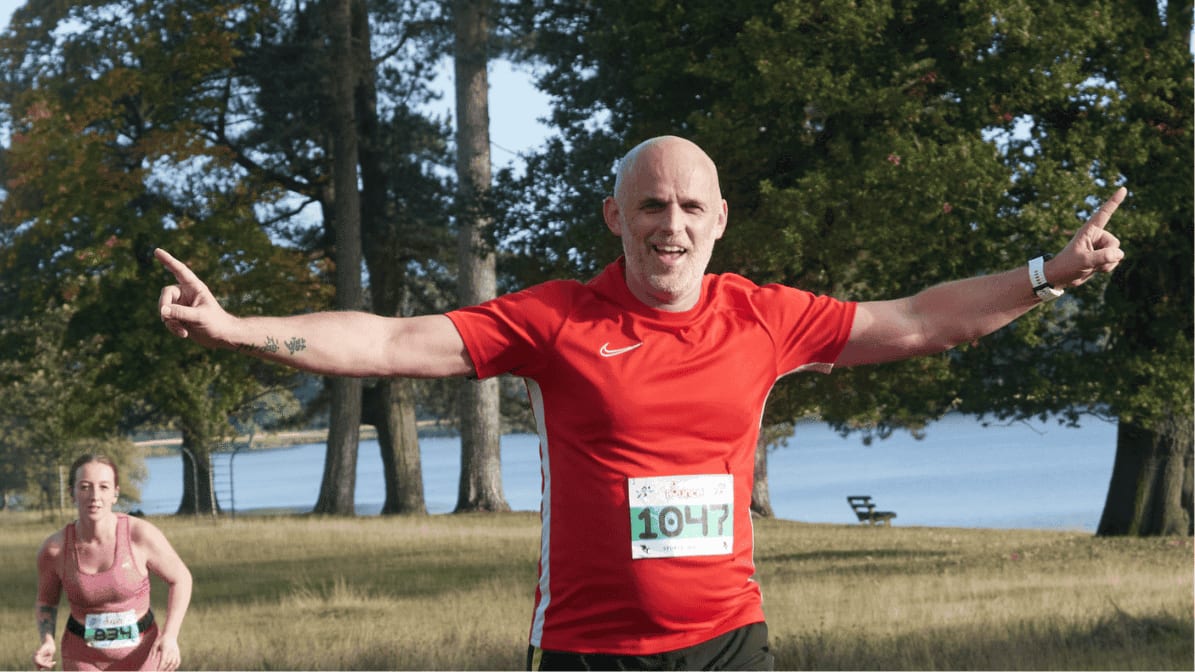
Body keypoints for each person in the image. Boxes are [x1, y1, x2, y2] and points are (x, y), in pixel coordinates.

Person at [155, 135, 1124, 670]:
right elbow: (394, 341)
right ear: (617, 216)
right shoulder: (556, 319)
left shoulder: (764, 316)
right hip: (588, 651)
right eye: (650, 205)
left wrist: (1045, 273)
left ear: (718, 220)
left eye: (689, 206)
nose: (671, 224)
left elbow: (918, 321)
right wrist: (240, 329)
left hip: (728, 645)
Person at [33, 454, 193, 671]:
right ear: (72, 493)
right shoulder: (55, 549)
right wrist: (47, 641)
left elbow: (181, 578)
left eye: (104, 487)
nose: (94, 496)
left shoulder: (139, 535)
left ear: (115, 494)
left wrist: (170, 636)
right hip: (83, 657)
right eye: (85, 487)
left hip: (143, 655)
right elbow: (46, 603)